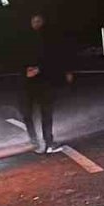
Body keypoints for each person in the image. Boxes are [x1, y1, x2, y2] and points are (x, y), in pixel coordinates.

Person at [19, 13, 65, 154]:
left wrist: (39, 69)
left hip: (43, 81)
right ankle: (35, 141)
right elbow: (17, 58)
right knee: (28, 113)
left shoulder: (47, 38)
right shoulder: (25, 40)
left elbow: (53, 57)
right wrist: (25, 71)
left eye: (39, 21)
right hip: (29, 83)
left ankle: (48, 142)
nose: (36, 23)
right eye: (34, 21)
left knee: (46, 112)